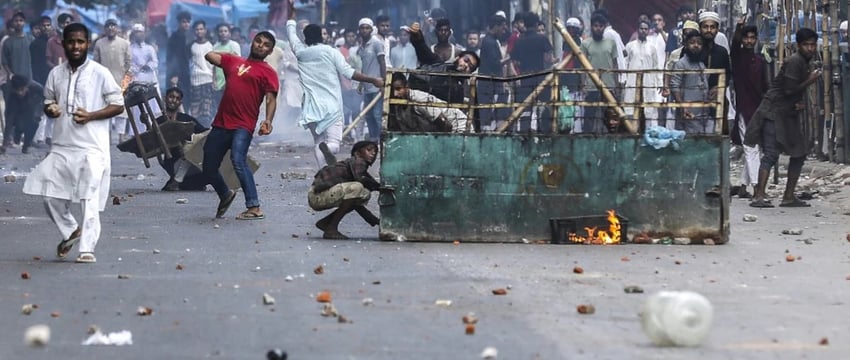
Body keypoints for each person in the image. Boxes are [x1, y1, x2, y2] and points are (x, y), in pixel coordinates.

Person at [22, 23, 125, 264]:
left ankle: (87, 248)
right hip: (62, 146)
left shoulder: (100, 72)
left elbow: (118, 104)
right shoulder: (55, 74)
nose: (76, 46)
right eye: (71, 42)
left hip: (92, 147)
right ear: (64, 44)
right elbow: (48, 102)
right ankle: (70, 230)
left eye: (80, 42)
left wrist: (91, 115)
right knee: (49, 193)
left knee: (88, 197)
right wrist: (51, 109)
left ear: (88, 44)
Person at [286, 4, 384, 168]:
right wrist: (373, 80)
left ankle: (324, 172)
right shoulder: (331, 52)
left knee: (318, 141)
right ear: (321, 37)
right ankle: (328, 154)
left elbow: (290, 34)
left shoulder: (300, 51)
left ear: (305, 38)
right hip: (331, 106)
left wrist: (292, 15)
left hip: (311, 107)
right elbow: (350, 73)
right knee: (334, 145)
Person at [203, 30, 279, 220]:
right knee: (208, 167)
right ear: (252, 43)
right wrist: (229, 56)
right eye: (258, 41)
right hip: (221, 123)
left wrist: (268, 120)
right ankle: (225, 194)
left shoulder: (268, 72)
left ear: (270, 51)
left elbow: (271, 99)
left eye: (266, 45)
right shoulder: (233, 62)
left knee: (238, 160)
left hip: (243, 125)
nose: (261, 46)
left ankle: (254, 207)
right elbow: (209, 56)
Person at [745, 28, 822, 208]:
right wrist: (809, 81)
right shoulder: (795, 61)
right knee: (771, 153)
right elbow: (788, 90)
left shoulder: (804, 61)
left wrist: (798, 103)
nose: (810, 48)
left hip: (786, 113)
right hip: (774, 112)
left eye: (813, 45)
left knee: (799, 153)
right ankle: (759, 195)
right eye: (806, 45)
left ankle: (788, 196)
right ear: (799, 46)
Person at [308, 140, 380, 239]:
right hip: (318, 196)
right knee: (357, 187)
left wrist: (372, 219)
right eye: (369, 150)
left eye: (375, 151)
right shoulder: (359, 162)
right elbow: (361, 179)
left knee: (363, 193)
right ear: (357, 153)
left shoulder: (352, 166)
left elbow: (354, 202)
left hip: (317, 195)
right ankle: (331, 229)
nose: (373, 153)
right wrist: (379, 187)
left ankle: (326, 223)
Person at [731, 20, 768, 199]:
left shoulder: (760, 61)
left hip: (758, 108)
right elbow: (734, 45)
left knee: (754, 148)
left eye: (752, 38)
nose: (749, 41)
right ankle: (757, 186)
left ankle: (744, 186)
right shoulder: (737, 58)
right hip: (744, 109)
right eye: (746, 38)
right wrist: (738, 28)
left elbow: (765, 86)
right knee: (751, 147)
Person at [156, 87, 208, 191]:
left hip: (191, 164)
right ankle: (176, 181)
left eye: (177, 98)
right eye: (171, 97)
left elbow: (204, 132)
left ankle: (183, 182)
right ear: (165, 98)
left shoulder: (186, 119)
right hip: (173, 163)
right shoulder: (159, 122)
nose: (173, 100)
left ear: (180, 102)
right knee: (190, 151)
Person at [510, 12, 554, 133]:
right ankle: (544, 133)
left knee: (525, 110)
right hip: (540, 77)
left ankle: (524, 135)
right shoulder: (542, 38)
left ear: (525, 23)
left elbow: (515, 60)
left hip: (525, 78)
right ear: (536, 24)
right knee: (544, 107)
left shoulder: (519, 41)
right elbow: (548, 59)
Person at [92, 19, 131, 143]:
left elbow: (129, 63)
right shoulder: (99, 43)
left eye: (113, 26)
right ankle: (106, 136)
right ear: (105, 29)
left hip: (121, 81)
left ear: (117, 28)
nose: (111, 28)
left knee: (121, 109)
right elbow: (95, 63)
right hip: (103, 82)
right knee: (105, 109)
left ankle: (120, 136)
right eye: (108, 26)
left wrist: (126, 81)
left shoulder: (125, 43)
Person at [580, 13, 619, 133]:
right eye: (596, 26)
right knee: (589, 115)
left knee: (609, 115)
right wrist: (583, 85)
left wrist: (616, 84)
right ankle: (586, 139)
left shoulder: (611, 43)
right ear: (591, 27)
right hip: (591, 85)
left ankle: (611, 139)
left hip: (608, 84)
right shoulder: (585, 44)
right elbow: (583, 65)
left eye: (601, 26)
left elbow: (615, 65)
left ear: (604, 27)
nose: (598, 28)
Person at [388, 72, 467, 132]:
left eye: (398, 89)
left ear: (407, 86)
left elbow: (445, 124)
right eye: (392, 90)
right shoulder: (398, 105)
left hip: (458, 125)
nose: (395, 93)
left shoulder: (419, 99)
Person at [623, 20, 662, 127]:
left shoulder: (652, 48)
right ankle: (632, 132)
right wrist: (623, 80)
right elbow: (625, 64)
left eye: (646, 29)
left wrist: (659, 82)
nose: (643, 31)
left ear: (648, 31)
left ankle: (647, 133)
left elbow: (656, 66)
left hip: (648, 82)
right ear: (637, 30)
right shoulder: (630, 46)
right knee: (631, 109)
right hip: (632, 81)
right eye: (641, 28)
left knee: (648, 110)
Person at [670, 32, 710, 134]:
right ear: (686, 45)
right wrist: (683, 107)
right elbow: (674, 86)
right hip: (688, 114)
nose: (696, 45)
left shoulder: (701, 65)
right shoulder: (681, 64)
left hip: (702, 113)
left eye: (699, 43)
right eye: (692, 43)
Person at [357, 18, 386, 142]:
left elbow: (382, 62)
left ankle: (382, 140)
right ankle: (374, 140)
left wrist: (384, 82)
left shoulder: (376, 43)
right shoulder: (362, 45)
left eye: (367, 28)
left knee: (377, 115)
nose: (364, 30)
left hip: (377, 86)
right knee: (369, 116)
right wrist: (360, 83)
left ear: (371, 29)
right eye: (362, 28)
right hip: (367, 87)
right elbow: (363, 66)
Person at [478, 14, 509, 130]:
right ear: (496, 26)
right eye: (502, 27)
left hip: (491, 83)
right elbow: (495, 63)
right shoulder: (490, 42)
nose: (504, 30)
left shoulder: (491, 40)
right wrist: (509, 58)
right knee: (487, 112)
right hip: (488, 84)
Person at [1, 75, 43, 153]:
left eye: (22, 89)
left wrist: (39, 110)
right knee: (16, 123)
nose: (20, 93)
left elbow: (47, 97)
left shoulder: (36, 87)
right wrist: (4, 145)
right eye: (18, 90)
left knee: (33, 123)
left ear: (27, 87)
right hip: (17, 107)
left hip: (33, 105)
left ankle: (26, 145)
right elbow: (9, 120)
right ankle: (17, 134)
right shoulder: (10, 93)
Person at [188, 20, 215, 128]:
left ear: (205, 30)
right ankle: (195, 130)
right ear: (194, 31)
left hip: (208, 79)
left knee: (207, 106)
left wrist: (214, 79)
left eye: (201, 29)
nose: (199, 31)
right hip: (195, 80)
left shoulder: (210, 45)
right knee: (195, 106)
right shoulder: (191, 45)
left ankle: (206, 129)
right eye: (197, 29)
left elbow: (214, 64)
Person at [167, 11, 192, 94]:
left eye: (188, 22)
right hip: (177, 74)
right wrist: (175, 74)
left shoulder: (189, 36)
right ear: (179, 23)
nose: (186, 24)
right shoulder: (174, 38)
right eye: (184, 22)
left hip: (187, 73)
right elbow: (172, 58)